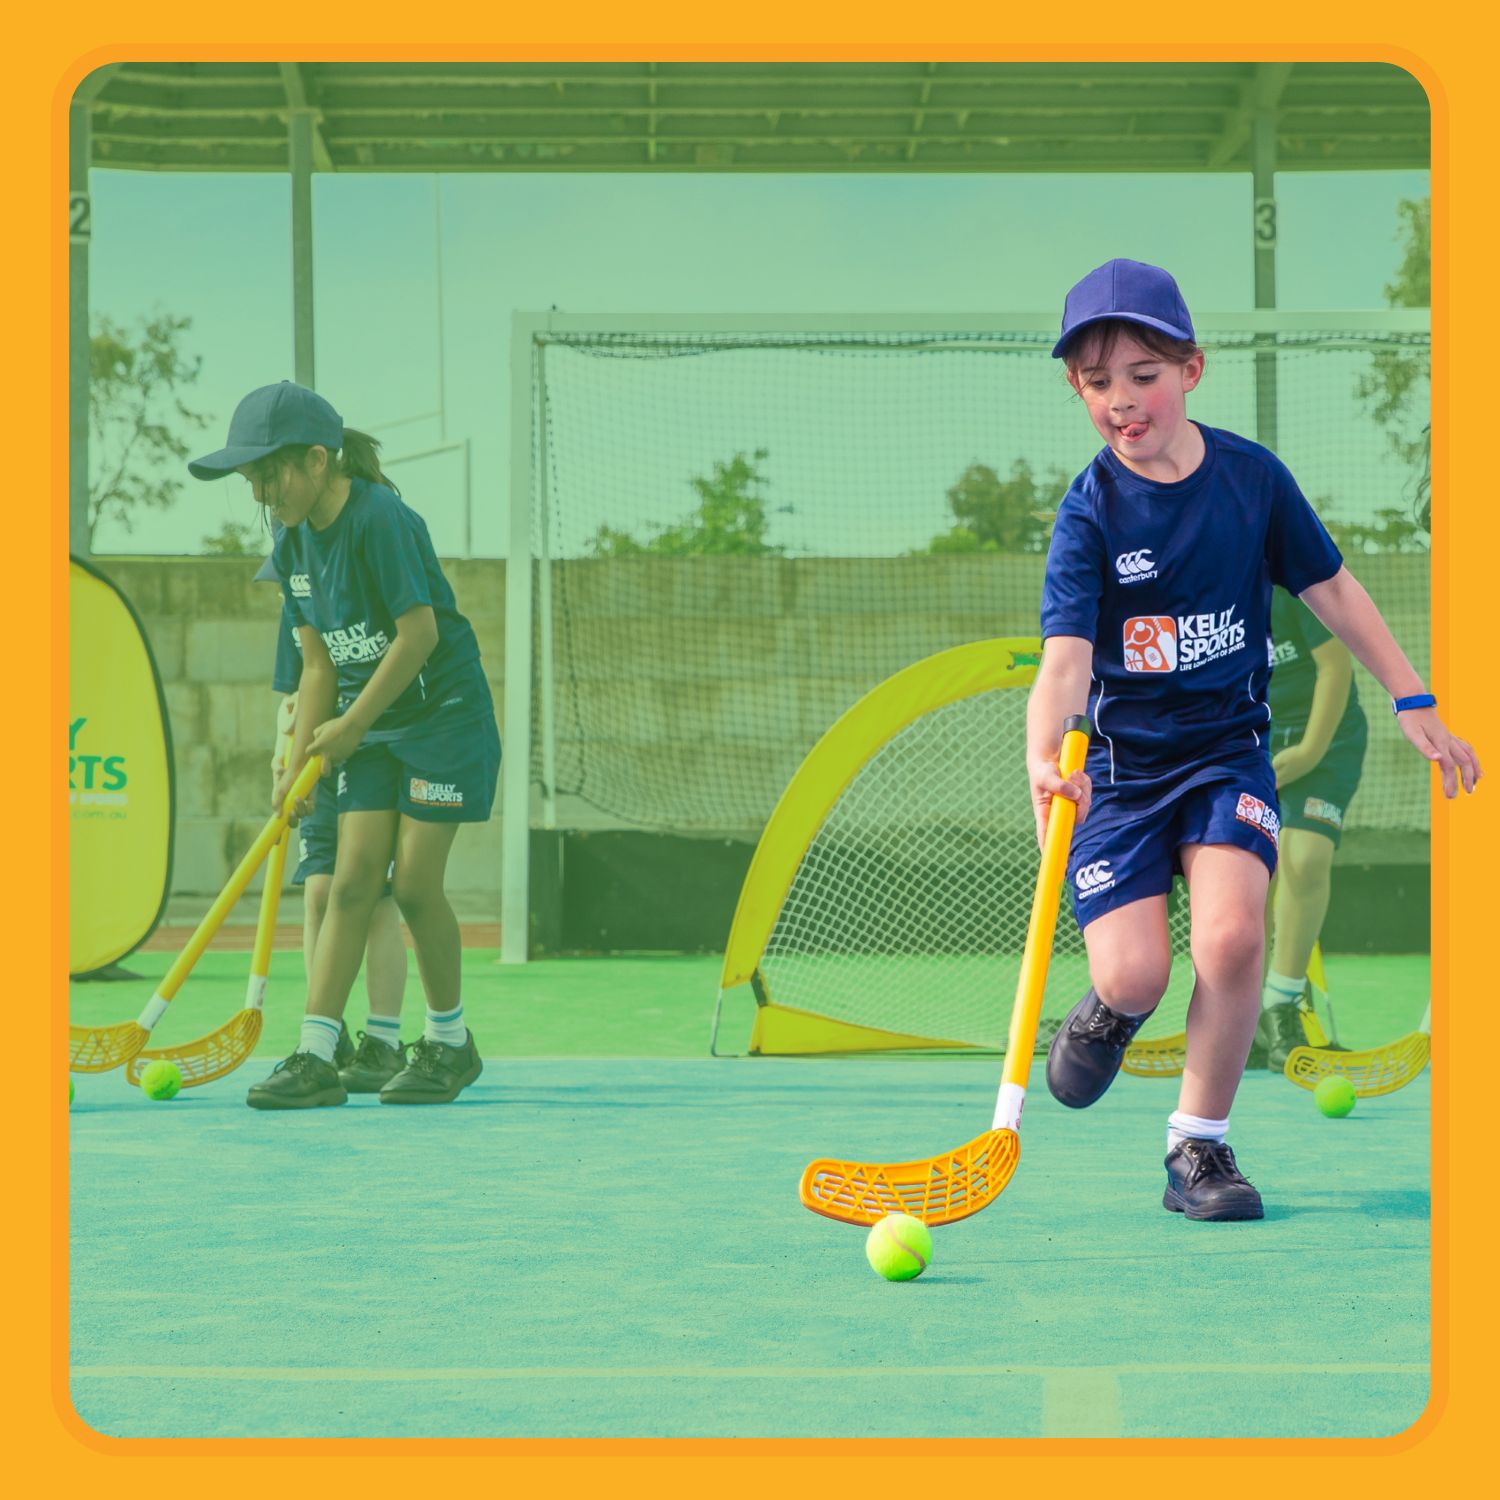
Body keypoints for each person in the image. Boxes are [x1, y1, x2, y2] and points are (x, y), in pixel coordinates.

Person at [1027, 260, 1477, 1220]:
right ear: (1077, 388)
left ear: (1193, 369)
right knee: (1137, 972)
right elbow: (1063, 662)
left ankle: (1197, 1149)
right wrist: (1042, 756)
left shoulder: (1253, 481)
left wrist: (1413, 695)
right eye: (1098, 382)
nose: (1122, 399)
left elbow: (1333, 590)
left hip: (1226, 754)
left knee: (1233, 939)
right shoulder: (1088, 512)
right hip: (1118, 773)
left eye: (1144, 374)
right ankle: (1111, 1007)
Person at [190, 382, 499, 1109]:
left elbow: (418, 635)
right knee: (349, 883)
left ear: (317, 460)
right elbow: (318, 665)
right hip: (373, 721)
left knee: (414, 885)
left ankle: (450, 1043)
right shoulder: (290, 540)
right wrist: (299, 764)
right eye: (251, 481)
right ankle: (316, 1053)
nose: (261, 494)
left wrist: (353, 726)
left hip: (442, 716)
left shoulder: (379, 517)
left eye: (270, 474)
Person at [257, 551, 412, 1091]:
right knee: (319, 892)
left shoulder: (358, 601)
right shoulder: (295, 616)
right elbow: (296, 693)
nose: (286, 592)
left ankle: (384, 1040)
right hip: (316, 765)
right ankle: (327, 1033)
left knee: (375, 898)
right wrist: (284, 758)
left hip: (370, 757)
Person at [1254, 585, 1368, 1069]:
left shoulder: (1292, 584)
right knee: (1248, 875)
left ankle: (1281, 1004)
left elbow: (1335, 666)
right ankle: (1243, 1015)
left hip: (1326, 740)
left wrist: (1309, 753)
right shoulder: (1209, 586)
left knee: (1304, 858)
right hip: (1252, 741)